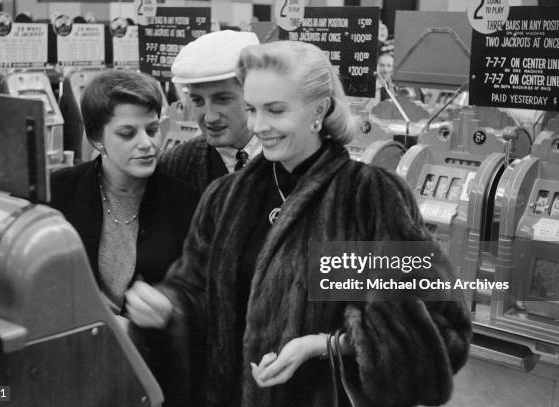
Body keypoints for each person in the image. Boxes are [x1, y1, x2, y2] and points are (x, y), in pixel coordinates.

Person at [140, 41, 472, 406]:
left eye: (276, 110)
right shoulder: (225, 198)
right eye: (251, 109)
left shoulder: (368, 198)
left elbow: (442, 330)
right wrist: (166, 305)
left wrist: (326, 345)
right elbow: (197, 291)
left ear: (318, 111)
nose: (259, 125)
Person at [49, 69, 198, 407]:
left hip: (151, 379)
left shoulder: (186, 202)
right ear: (97, 138)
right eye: (127, 133)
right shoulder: (59, 193)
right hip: (74, 370)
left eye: (152, 129)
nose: (147, 144)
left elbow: (197, 289)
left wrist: (170, 307)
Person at [159, 30, 262, 195]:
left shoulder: (290, 157)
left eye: (222, 99)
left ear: (253, 93)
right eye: (198, 101)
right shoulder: (175, 165)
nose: (210, 117)